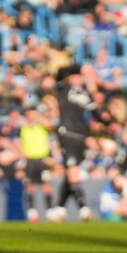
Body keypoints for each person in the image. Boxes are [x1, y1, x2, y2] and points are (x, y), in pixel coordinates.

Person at [52, 64, 95, 220]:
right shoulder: (64, 89)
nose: (79, 79)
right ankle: (84, 210)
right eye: (76, 75)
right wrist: (80, 67)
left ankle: (58, 208)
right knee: (73, 172)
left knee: (71, 175)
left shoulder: (84, 94)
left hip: (80, 137)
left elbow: (94, 111)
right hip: (67, 134)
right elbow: (59, 74)